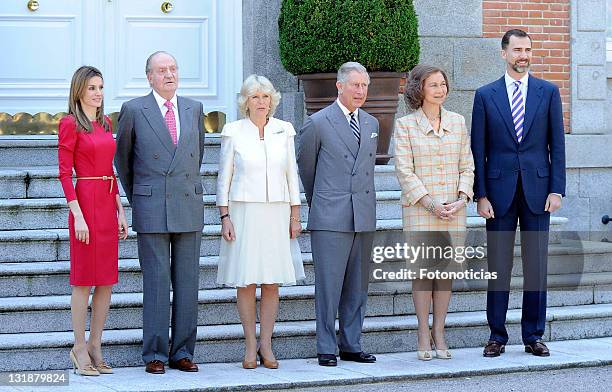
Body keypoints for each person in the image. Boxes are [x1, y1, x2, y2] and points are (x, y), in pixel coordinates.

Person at [471, 29, 565, 358]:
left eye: (527, 49)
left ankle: (533, 335)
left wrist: (556, 188)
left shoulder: (548, 92)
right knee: (499, 265)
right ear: (504, 53)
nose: (523, 55)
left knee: (536, 265)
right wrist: (480, 194)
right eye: (517, 50)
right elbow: (477, 149)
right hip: (498, 194)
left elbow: (558, 145)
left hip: (539, 191)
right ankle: (497, 335)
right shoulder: (485, 95)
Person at [114, 51, 206, 374]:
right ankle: (154, 353)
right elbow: (122, 160)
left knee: (188, 282)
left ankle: (182, 351)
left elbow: (195, 157)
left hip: (188, 204)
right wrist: (139, 196)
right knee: (155, 282)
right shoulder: (134, 109)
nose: (169, 75)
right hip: (151, 206)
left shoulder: (194, 108)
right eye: (161, 70)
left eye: (173, 69)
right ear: (149, 77)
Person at [216, 74, 304, 369]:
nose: (261, 102)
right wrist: (224, 215)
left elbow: (292, 173)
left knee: (271, 280)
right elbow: (223, 177)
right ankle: (249, 344)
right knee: (246, 279)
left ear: (272, 100)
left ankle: (266, 344)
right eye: (255, 97)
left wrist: (295, 214)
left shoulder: (284, 130)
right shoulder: (233, 131)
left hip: (277, 212)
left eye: (265, 96)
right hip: (244, 211)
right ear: (245, 101)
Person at [297, 62, 378, 367]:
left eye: (365, 86)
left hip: (363, 214)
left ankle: (351, 343)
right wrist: (322, 200)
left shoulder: (371, 123)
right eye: (355, 85)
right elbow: (307, 169)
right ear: (339, 86)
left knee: (358, 286)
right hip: (330, 215)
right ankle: (326, 347)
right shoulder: (317, 123)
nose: (361, 91)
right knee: (329, 286)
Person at [393, 64, 475, 361]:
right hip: (421, 210)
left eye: (443, 84)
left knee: (445, 275)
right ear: (420, 90)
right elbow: (404, 171)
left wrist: (462, 197)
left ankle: (439, 331)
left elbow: (468, 165)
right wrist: (430, 202)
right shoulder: (405, 125)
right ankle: (422, 332)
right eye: (434, 85)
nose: (441, 90)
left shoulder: (458, 121)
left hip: (453, 210)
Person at [58, 65, 129, 376]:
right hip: (84, 203)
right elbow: (63, 173)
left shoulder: (105, 122)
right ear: (79, 91)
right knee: (84, 279)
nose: (98, 93)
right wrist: (78, 216)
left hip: (106, 200)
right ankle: (78, 345)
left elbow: (110, 169)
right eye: (92, 88)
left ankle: (96, 344)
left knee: (106, 281)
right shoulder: (70, 124)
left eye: (101, 87)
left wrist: (121, 209)